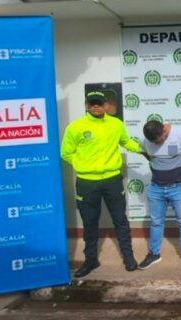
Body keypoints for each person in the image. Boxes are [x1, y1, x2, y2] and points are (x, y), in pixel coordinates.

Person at [60, 91, 140, 278]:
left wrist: (146, 150)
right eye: (92, 103)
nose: (96, 106)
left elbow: (126, 142)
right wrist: (84, 166)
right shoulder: (75, 127)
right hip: (87, 182)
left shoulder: (116, 124)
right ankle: (91, 260)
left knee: (120, 219)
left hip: (112, 180)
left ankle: (129, 257)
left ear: (106, 105)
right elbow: (65, 153)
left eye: (99, 103)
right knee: (90, 223)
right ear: (87, 105)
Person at [138, 120, 181, 270]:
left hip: (179, 187)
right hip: (156, 188)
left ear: (164, 131)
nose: (155, 144)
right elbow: (147, 154)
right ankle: (154, 254)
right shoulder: (147, 140)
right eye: (153, 142)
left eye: (157, 140)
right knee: (156, 222)